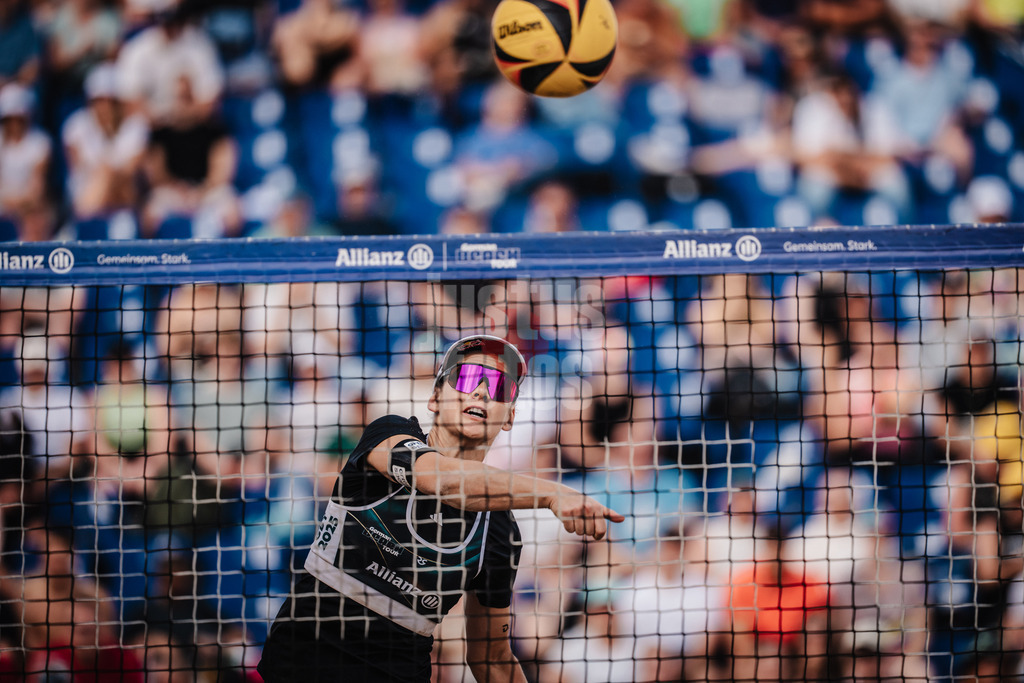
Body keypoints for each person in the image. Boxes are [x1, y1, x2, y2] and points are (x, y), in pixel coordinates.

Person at [258, 334, 623, 682]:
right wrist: (552, 494)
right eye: (466, 377)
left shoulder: (498, 531)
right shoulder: (387, 435)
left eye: (499, 387)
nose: (481, 390)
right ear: (435, 397)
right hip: (301, 665)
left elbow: (491, 658)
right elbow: (444, 481)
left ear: (509, 417)